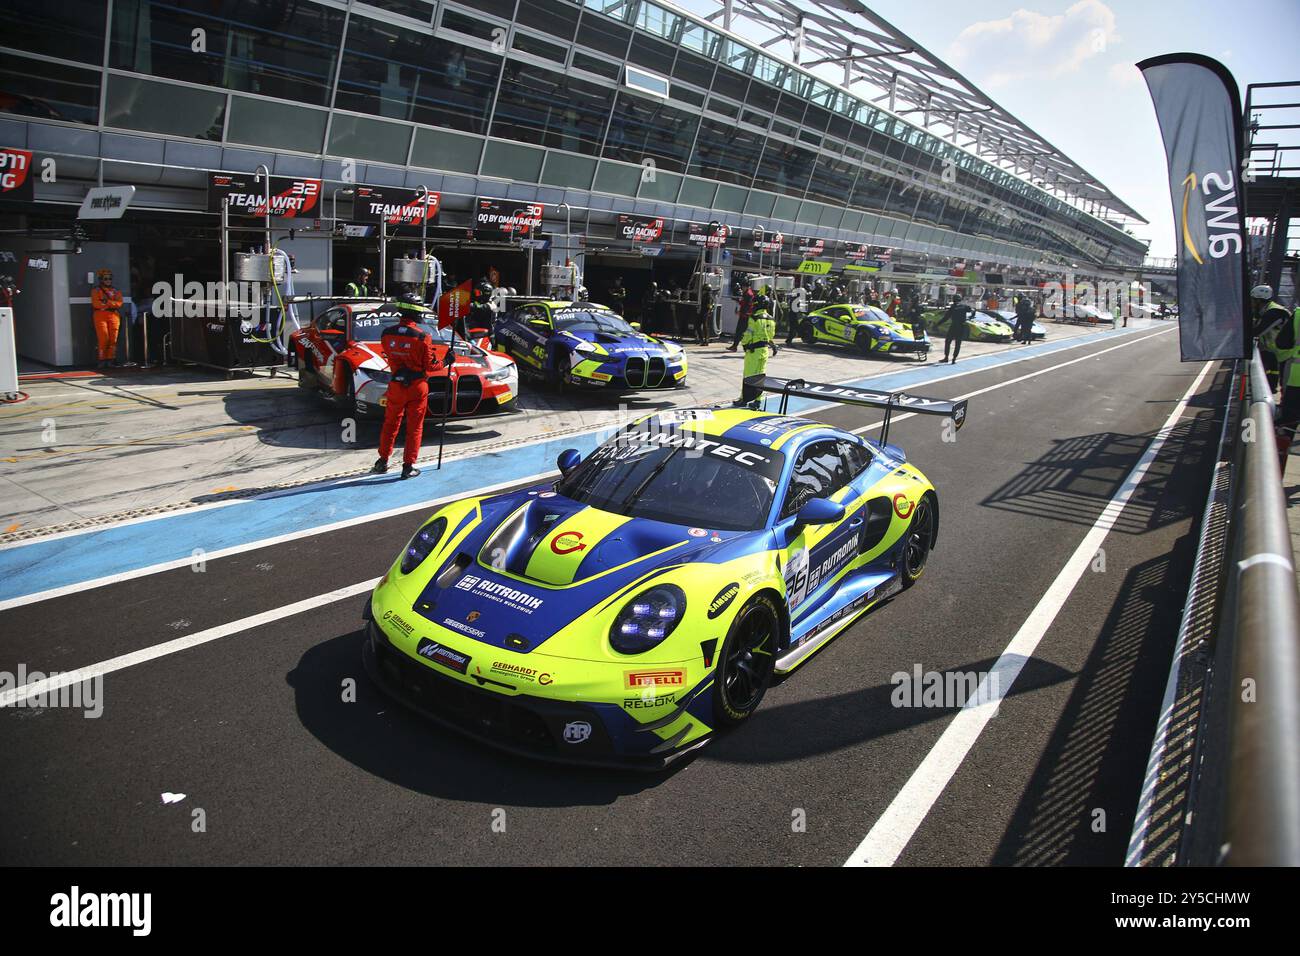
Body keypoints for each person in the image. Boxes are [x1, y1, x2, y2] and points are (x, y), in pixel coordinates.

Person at [372, 293, 439, 480]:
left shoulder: (386, 334)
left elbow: (390, 355)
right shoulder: (422, 337)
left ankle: (382, 461)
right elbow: (430, 366)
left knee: (390, 424)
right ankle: (408, 466)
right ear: (416, 313)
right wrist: (445, 361)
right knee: (414, 427)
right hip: (417, 386)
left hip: (395, 385)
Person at [738, 293, 778, 405]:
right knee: (761, 376)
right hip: (765, 350)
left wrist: (744, 344)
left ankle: (744, 400)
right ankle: (758, 400)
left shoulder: (754, 318)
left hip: (753, 351)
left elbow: (748, 334)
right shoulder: (771, 319)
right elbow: (771, 336)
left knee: (748, 376)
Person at [1251, 284, 1291, 393]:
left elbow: (1258, 331)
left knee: (1286, 382)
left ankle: (1282, 404)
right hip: (1278, 352)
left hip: (1288, 353)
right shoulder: (1266, 311)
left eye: (1254, 300)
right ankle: (1271, 388)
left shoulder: (1274, 313)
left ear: (1259, 300)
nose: (1252, 304)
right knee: (1274, 371)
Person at [90, 268, 124, 369]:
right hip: (100, 315)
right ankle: (102, 359)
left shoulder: (116, 291)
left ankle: (111, 360)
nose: (108, 280)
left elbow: (119, 303)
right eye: (105, 278)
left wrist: (107, 303)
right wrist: (110, 304)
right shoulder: (95, 291)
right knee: (104, 338)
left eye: (110, 278)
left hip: (114, 316)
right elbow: (96, 303)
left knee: (113, 339)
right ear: (101, 279)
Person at [727, 276, 755, 351]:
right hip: (744, 315)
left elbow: (747, 306)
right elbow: (743, 303)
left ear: (745, 286)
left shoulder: (748, 294)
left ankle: (743, 347)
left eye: (743, 286)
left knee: (741, 332)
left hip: (745, 316)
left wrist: (740, 312)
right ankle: (736, 346)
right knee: (740, 331)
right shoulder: (747, 293)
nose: (742, 288)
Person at [942, 294, 971, 364]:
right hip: (961, 327)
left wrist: (937, 324)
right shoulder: (964, 306)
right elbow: (972, 310)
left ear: (953, 300)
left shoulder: (953, 307)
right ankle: (954, 359)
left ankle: (946, 357)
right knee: (958, 343)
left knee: (948, 342)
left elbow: (946, 318)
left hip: (953, 326)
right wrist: (970, 317)